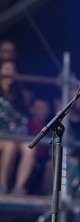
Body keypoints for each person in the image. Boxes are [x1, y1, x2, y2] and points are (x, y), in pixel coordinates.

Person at [0, 59, 33, 194]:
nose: (10, 73)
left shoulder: (20, 94)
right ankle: (2, 185)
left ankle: (19, 187)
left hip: (15, 133)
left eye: (12, 70)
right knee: (10, 145)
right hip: (2, 134)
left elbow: (23, 119)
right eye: (7, 69)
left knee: (30, 147)